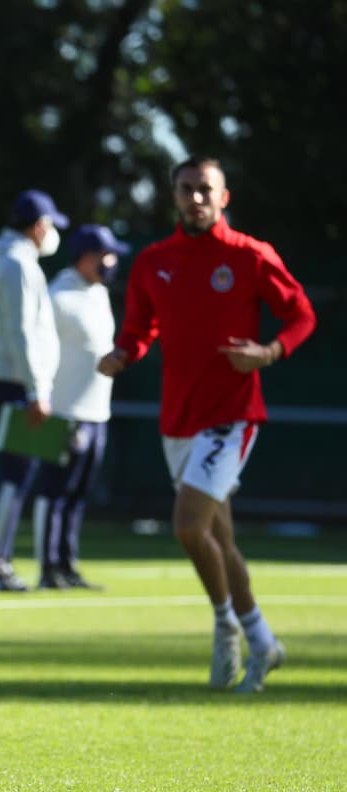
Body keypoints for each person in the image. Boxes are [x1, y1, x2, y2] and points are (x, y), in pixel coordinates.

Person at [98, 155, 316, 693]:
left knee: (188, 526)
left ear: (224, 198)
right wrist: (123, 354)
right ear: (175, 197)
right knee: (220, 539)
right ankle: (263, 642)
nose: (195, 197)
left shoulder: (249, 255)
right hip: (178, 418)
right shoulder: (153, 262)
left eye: (205, 189)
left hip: (232, 415)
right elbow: (139, 329)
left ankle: (226, 632)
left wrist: (267, 352)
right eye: (186, 189)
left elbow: (302, 314)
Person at [0, 189, 68, 592]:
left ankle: (0, 561)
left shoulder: (13, 260)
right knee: (15, 473)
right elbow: (21, 333)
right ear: (37, 226)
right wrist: (36, 390)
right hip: (14, 380)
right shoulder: (16, 264)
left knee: (19, 473)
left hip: (13, 378)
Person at [33, 224, 128, 590]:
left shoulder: (98, 294)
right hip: (63, 412)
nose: (112, 262)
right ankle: (48, 568)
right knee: (55, 490)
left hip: (96, 412)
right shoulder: (59, 296)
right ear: (87, 257)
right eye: (107, 254)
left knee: (77, 494)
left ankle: (67, 564)